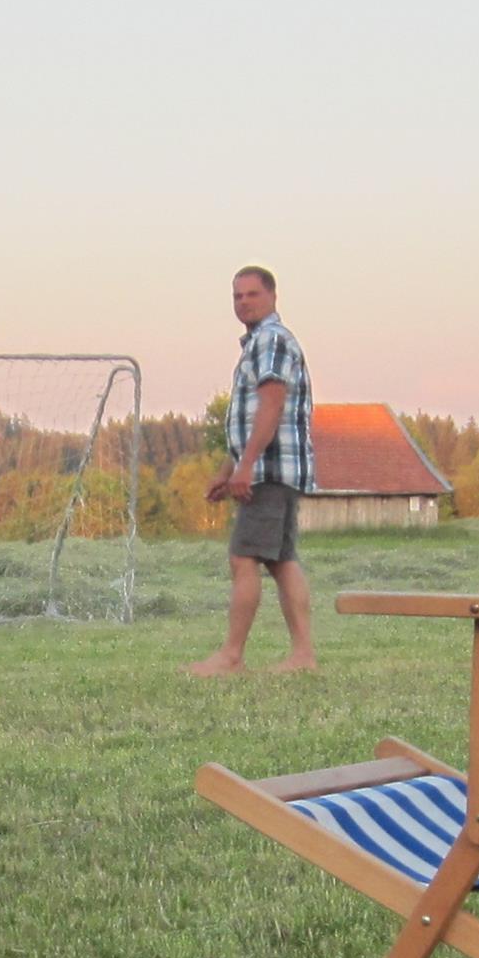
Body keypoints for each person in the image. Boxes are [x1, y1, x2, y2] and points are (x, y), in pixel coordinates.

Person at [188, 264, 314, 677]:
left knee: (244, 558)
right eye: (237, 296)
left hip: (268, 471)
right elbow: (246, 420)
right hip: (273, 468)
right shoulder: (260, 343)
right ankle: (303, 656)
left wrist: (246, 467)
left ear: (273, 296)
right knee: (281, 561)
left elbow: (271, 406)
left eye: (252, 294)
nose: (243, 302)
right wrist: (228, 469)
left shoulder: (271, 340)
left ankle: (231, 656)